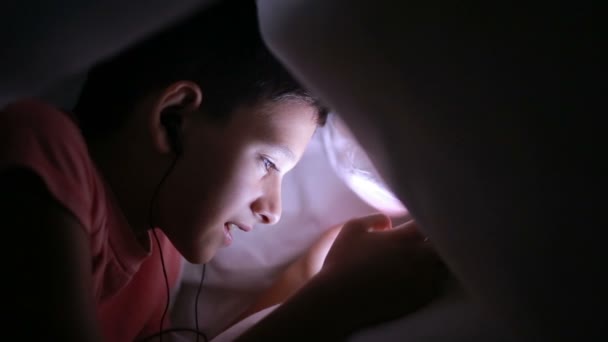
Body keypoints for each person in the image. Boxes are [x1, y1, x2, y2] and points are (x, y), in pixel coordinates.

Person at [1, 1, 446, 341]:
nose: (273, 209)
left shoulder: (162, 252)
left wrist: (309, 275)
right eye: (269, 164)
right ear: (172, 117)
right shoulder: (44, 145)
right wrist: (333, 304)